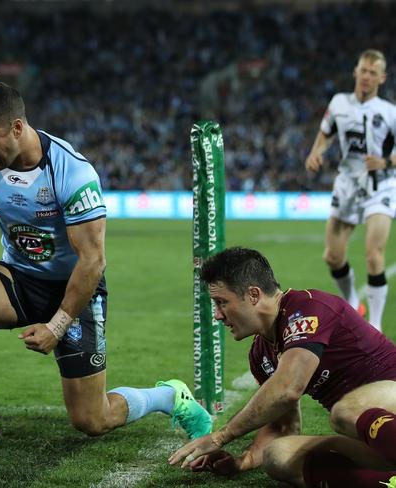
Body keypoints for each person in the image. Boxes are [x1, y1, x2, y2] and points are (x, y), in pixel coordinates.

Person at [0, 81, 212, 448]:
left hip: (75, 290)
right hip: (18, 279)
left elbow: (92, 262)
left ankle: (170, 397)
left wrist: (57, 327)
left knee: (93, 420)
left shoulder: (72, 172)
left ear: (17, 128)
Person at [168, 247, 396, 487]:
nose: (217, 315)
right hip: (380, 436)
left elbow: (288, 388)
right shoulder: (260, 354)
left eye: (222, 302)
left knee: (345, 410)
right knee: (278, 455)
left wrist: (221, 436)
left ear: (254, 295)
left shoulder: (308, 308)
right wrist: (242, 461)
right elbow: (283, 425)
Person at [305, 49, 396, 331]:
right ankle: (353, 301)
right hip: (347, 183)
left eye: (373, 72)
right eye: (363, 70)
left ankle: (375, 326)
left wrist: (384, 161)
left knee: (373, 253)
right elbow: (326, 132)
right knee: (332, 256)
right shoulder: (339, 103)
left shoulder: (390, 112)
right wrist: (315, 152)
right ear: (355, 72)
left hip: (381, 184)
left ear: (381, 77)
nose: (367, 76)